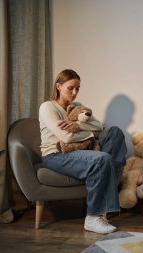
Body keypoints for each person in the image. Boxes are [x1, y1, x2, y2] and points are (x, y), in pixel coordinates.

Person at [39, 69, 127, 234]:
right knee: (102, 159)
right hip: (55, 155)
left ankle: (103, 180)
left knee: (115, 132)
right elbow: (65, 137)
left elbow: (99, 126)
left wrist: (77, 125)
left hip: (83, 150)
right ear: (58, 86)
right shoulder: (47, 107)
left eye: (77, 88)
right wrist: (90, 132)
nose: (74, 93)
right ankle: (93, 217)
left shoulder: (78, 107)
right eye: (70, 88)